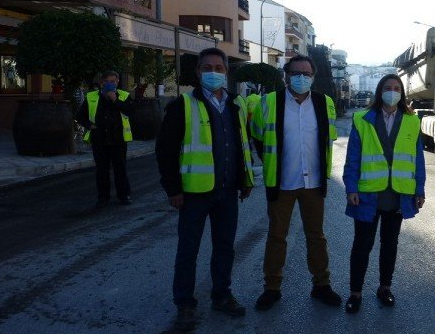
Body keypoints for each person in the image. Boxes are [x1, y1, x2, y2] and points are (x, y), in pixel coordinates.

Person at [155, 48, 254, 331]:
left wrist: (245, 180)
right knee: (188, 250)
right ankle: (185, 303)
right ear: (198, 72)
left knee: (224, 247)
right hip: (194, 193)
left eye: (219, 68)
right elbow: (165, 151)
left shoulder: (236, 103)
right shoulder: (183, 105)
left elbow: (241, 145)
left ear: (226, 71)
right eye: (207, 67)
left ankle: (222, 295)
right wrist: (173, 189)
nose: (213, 72)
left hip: (228, 191)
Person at [250, 54, 341, 310]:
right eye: (296, 73)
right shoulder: (269, 102)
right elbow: (257, 135)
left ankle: (321, 285)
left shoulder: (325, 103)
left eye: (306, 74)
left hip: (314, 182)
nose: (301, 78)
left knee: (317, 236)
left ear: (313, 76)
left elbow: (328, 138)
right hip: (282, 183)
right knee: (276, 236)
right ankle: (272, 288)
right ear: (286, 76)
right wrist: (272, 162)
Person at [342, 74, 426, 314]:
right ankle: (355, 293)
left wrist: (419, 189)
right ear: (380, 91)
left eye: (397, 88)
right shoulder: (362, 119)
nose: (392, 91)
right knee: (362, 244)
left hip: (398, 194)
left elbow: (418, 159)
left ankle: (385, 288)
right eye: (388, 87)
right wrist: (351, 187)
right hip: (368, 194)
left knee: (390, 244)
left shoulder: (411, 121)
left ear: (402, 93)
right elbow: (353, 158)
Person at [76, 70, 134, 208]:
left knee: (120, 169)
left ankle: (124, 195)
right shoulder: (91, 96)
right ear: (101, 83)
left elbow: (130, 111)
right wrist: (89, 125)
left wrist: (115, 100)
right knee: (102, 170)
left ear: (117, 82)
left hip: (118, 139)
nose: (109, 84)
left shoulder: (124, 96)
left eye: (112, 81)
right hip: (99, 139)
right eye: (106, 81)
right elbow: (80, 116)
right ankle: (103, 197)